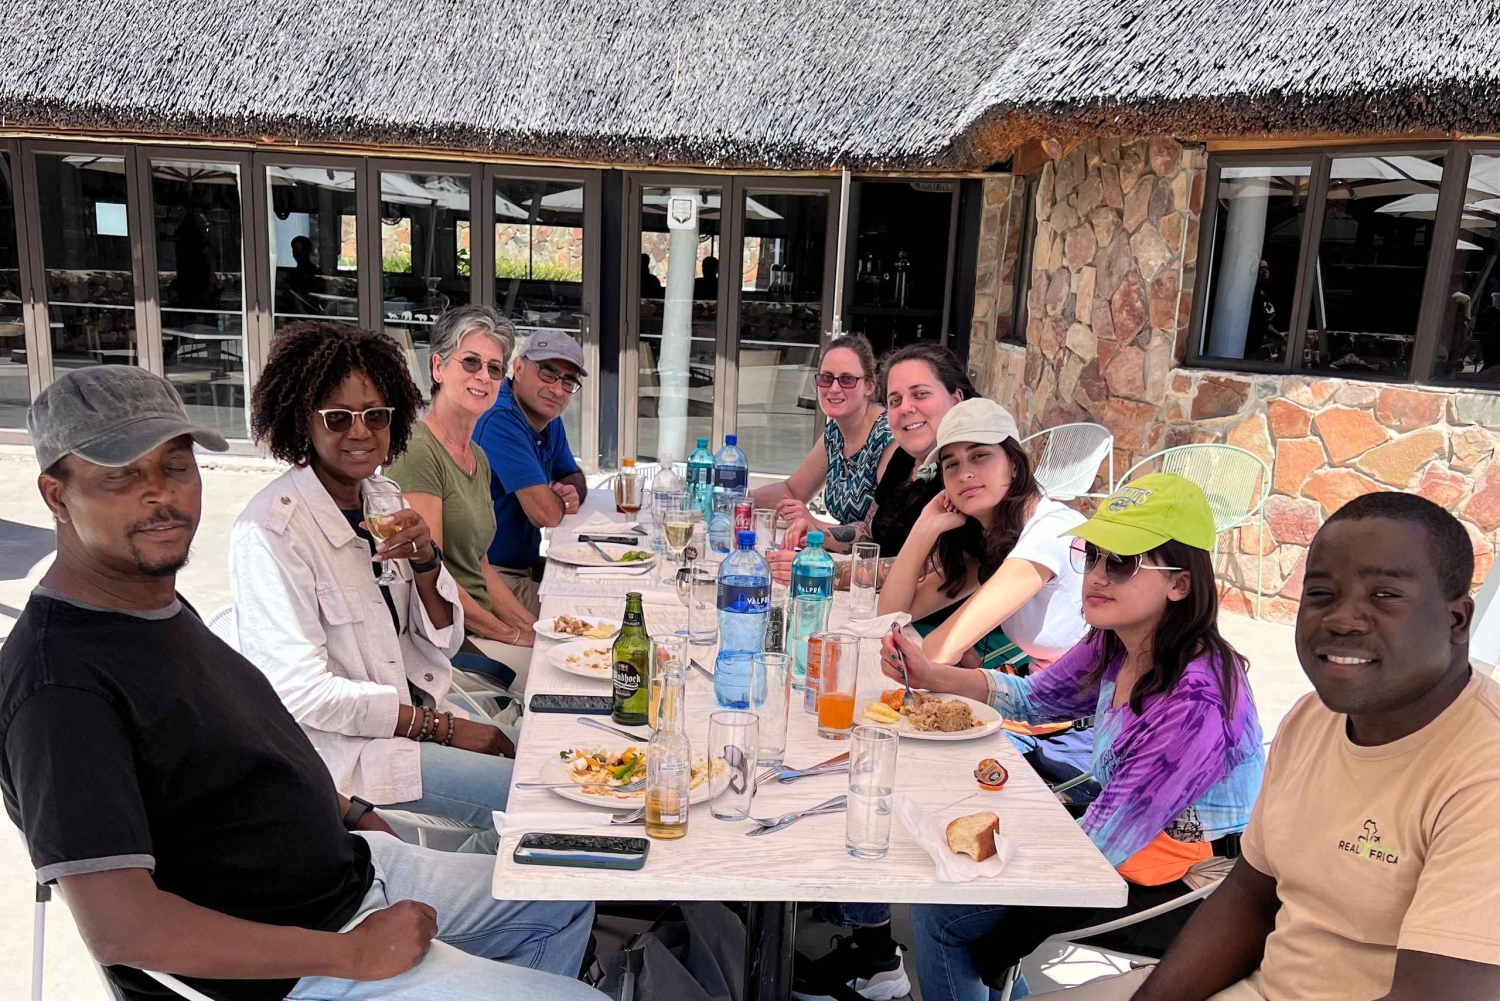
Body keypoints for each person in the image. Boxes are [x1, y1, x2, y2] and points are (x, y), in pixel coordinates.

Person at [1, 366, 600, 1001]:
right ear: (56, 496)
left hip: (351, 870)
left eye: (175, 466)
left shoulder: (157, 608)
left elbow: (246, 748)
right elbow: (121, 929)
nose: (160, 495)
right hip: (298, 960)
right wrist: (353, 954)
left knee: (565, 893)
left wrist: (350, 811)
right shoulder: (60, 685)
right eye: (121, 476)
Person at [1054, 491, 1500, 1001]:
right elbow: (1249, 895)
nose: (1343, 619)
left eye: (1384, 595)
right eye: (1322, 593)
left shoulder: (1483, 775)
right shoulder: (1313, 719)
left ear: (1457, 620)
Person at [887, 474, 1264, 1001]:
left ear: (1180, 583)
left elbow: (1097, 849)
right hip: (1127, 841)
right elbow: (1032, 699)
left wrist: (1008, 911)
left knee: (946, 911)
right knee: (960, 868)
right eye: (1093, 556)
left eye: (1123, 562)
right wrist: (931, 674)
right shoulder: (1120, 639)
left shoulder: (1194, 702)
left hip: (1193, 886)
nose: (1097, 576)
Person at [230, 321, 517, 853]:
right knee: (531, 799)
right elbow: (302, 694)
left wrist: (427, 560)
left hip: (421, 713)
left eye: (376, 416)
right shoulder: (273, 531)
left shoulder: (381, 497)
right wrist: (442, 729)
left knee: (550, 763)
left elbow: (442, 640)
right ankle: (463, 889)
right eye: (338, 418)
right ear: (303, 420)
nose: (360, 432)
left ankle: (467, 876)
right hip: (353, 755)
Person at [877, 397, 1089, 671]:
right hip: (1047, 685)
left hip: (1092, 694)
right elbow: (890, 616)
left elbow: (938, 651)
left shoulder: (1049, 533)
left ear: (1014, 464)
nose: (964, 474)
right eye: (951, 464)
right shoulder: (993, 540)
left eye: (979, 456)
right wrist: (924, 526)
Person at [384, 305, 539, 678]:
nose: (483, 376)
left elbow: (479, 566)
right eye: (471, 362)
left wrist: (533, 629)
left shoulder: (477, 457)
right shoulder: (418, 451)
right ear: (438, 367)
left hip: (480, 631)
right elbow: (431, 578)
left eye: (494, 368)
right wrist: (509, 634)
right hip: (450, 646)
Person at [767, 341, 972, 590]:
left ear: (956, 399)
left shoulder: (965, 474)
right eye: (895, 400)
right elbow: (868, 530)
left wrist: (822, 572)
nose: (906, 408)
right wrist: (817, 535)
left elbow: (931, 568)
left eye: (920, 394)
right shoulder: (904, 458)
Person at [473, 332, 589, 616]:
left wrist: (571, 490)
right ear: (519, 367)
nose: (557, 390)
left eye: (568, 381)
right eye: (548, 373)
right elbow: (545, 514)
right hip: (490, 576)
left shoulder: (547, 418)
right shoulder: (499, 418)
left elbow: (572, 474)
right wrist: (557, 499)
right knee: (585, 615)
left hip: (527, 566)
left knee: (611, 589)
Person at [751, 334, 895, 530]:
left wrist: (814, 524)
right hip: (846, 548)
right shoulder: (835, 433)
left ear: (869, 386)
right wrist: (742, 499)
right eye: (826, 378)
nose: (834, 388)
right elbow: (792, 491)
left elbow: (879, 531)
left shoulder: (887, 437)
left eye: (846, 379)